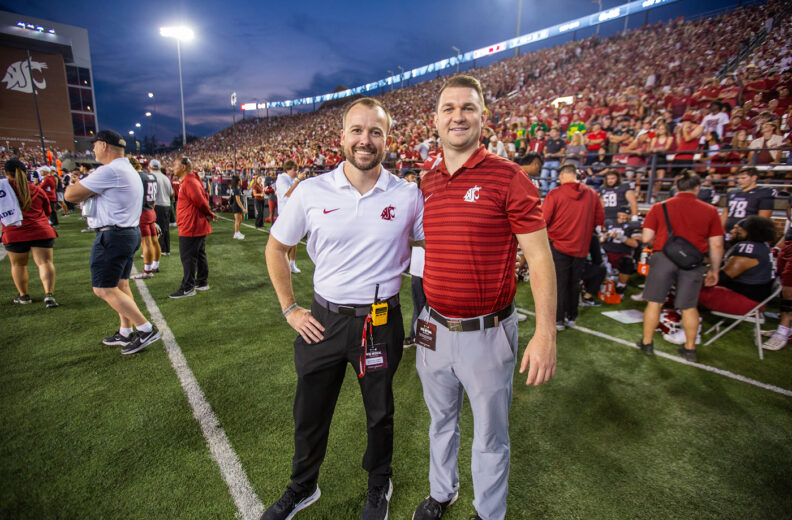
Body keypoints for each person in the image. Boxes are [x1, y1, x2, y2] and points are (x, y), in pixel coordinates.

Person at [262, 97, 423, 520]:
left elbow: (432, 248)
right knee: (309, 412)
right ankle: (302, 486)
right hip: (322, 319)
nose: (365, 140)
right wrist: (290, 309)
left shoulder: (408, 195)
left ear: (388, 139)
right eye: (357, 130)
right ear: (342, 137)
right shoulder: (312, 191)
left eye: (375, 132)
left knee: (380, 412)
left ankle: (378, 483)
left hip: (380, 321)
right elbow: (276, 248)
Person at [412, 75, 556, 520]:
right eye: (449, 108)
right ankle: (442, 493)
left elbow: (540, 258)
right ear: (435, 120)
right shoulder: (428, 180)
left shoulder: (509, 177)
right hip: (433, 327)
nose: (458, 116)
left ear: (482, 117)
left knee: (491, 435)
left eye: (468, 108)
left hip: (487, 332)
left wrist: (546, 332)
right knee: (441, 422)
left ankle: (488, 513)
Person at [64, 130, 160, 355]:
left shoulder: (111, 170)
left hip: (114, 234)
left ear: (104, 145)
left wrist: (75, 183)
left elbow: (70, 195)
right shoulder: (126, 168)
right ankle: (125, 331)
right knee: (120, 284)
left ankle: (145, 328)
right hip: (127, 232)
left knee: (102, 288)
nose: (93, 150)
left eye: (95, 145)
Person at [637, 171, 724, 362]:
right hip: (693, 262)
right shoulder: (710, 211)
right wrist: (714, 270)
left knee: (654, 302)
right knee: (689, 306)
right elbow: (716, 244)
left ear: (677, 187)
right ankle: (690, 348)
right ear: (697, 188)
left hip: (663, 257)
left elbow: (646, 238)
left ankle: (647, 342)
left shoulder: (659, 207)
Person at [544, 163, 605, 329]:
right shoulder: (592, 194)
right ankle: (571, 315)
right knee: (574, 282)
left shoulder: (555, 193)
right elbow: (599, 219)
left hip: (559, 245)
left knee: (559, 283)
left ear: (563, 176)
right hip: (581, 247)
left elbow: (543, 219)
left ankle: (558, 319)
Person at [2, 158, 58, 307]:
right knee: (45, 263)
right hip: (41, 230)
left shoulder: (4, 191)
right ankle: (49, 295)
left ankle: (24, 296)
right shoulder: (36, 189)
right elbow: (47, 211)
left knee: (18, 265)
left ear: (5, 173)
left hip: (14, 232)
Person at [697, 216, 775, 319]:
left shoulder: (747, 251)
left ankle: (683, 313)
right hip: (754, 299)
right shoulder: (761, 246)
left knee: (687, 287)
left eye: (738, 230)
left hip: (746, 302)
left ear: (750, 233)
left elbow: (718, 279)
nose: (732, 231)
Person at [169, 157, 217, 298]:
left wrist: (209, 213)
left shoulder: (189, 181)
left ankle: (188, 287)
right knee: (199, 254)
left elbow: (201, 201)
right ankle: (201, 282)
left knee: (188, 257)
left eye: (175, 165)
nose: (173, 168)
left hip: (191, 225)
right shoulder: (191, 180)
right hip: (194, 224)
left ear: (183, 167)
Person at [129, 157, 161, 280]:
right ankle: (155, 265)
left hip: (143, 212)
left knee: (146, 243)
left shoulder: (137, 177)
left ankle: (147, 271)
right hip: (151, 210)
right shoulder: (151, 176)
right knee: (154, 240)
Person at [721, 167, 774, 235]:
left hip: (748, 232)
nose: (739, 181)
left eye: (743, 178)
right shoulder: (732, 192)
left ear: (754, 178)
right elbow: (725, 213)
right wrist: (720, 230)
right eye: (738, 178)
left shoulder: (764, 192)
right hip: (729, 231)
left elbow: (763, 219)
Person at [602, 211, 643, 294]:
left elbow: (636, 244)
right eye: (621, 214)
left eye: (625, 214)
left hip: (622, 254)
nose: (623, 217)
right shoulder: (609, 222)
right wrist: (604, 237)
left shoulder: (633, 225)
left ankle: (621, 286)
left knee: (627, 261)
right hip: (606, 253)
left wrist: (621, 237)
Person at [276, 160, 304, 273]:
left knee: (294, 240)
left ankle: (291, 264)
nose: (296, 172)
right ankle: (282, 265)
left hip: (295, 212)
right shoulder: (282, 179)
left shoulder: (293, 179)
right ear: (288, 169)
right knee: (286, 242)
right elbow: (288, 193)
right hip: (285, 214)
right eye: (294, 169)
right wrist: (298, 180)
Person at [149, 160, 174, 256]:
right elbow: (171, 193)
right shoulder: (165, 178)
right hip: (167, 205)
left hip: (157, 204)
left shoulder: (152, 177)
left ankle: (158, 249)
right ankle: (166, 249)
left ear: (150, 167)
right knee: (165, 228)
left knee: (157, 228)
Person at [230, 174, 246, 240]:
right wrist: (243, 208)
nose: (242, 181)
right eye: (240, 180)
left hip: (237, 205)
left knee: (240, 220)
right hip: (236, 206)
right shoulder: (236, 189)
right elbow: (238, 200)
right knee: (237, 220)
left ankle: (238, 232)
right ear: (238, 181)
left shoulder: (237, 188)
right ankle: (236, 233)